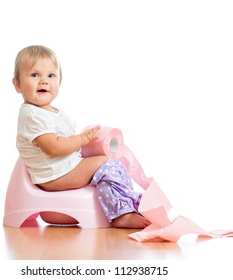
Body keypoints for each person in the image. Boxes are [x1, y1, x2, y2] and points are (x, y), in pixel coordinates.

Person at [12, 45, 150, 228]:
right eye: (35, 75)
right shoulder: (32, 115)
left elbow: (65, 143)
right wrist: (82, 139)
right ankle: (121, 214)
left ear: (59, 82)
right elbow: (54, 147)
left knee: (109, 162)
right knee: (109, 166)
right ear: (17, 84)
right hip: (55, 174)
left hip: (62, 168)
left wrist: (87, 142)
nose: (44, 81)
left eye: (51, 76)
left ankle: (126, 205)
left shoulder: (50, 112)